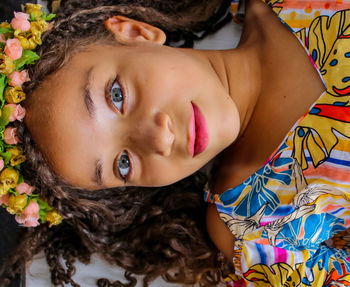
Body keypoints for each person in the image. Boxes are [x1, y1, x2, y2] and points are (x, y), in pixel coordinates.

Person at [0, 0, 350, 286]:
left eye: (117, 96)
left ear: (135, 32)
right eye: (123, 163)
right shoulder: (252, 228)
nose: (160, 138)